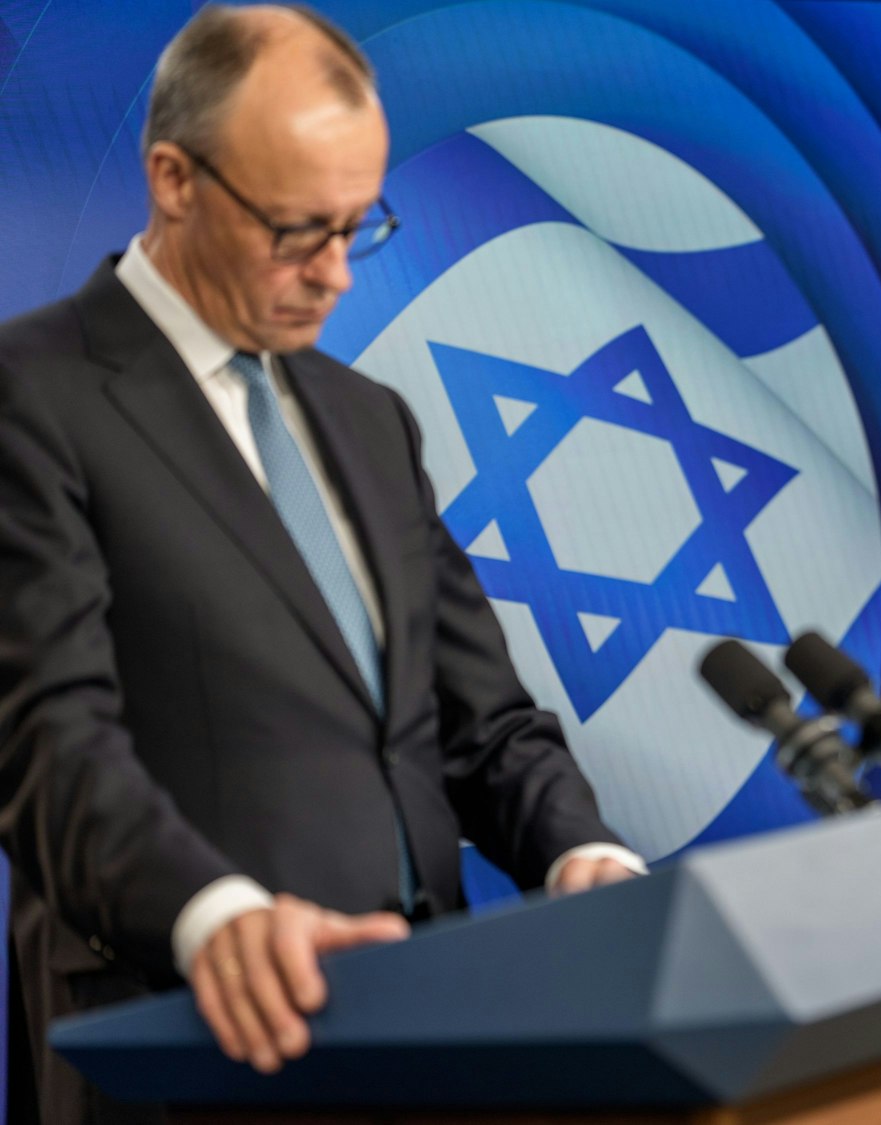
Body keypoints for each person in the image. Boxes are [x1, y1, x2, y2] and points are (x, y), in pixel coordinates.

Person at [0, 7, 645, 1122]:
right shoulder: (32, 394)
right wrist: (215, 916)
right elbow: (48, 741)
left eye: (361, 226)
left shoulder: (370, 420)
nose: (336, 274)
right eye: (300, 231)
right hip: (185, 1042)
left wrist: (581, 855)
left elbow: (481, 723)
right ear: (173, 180)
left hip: (419, 1041)